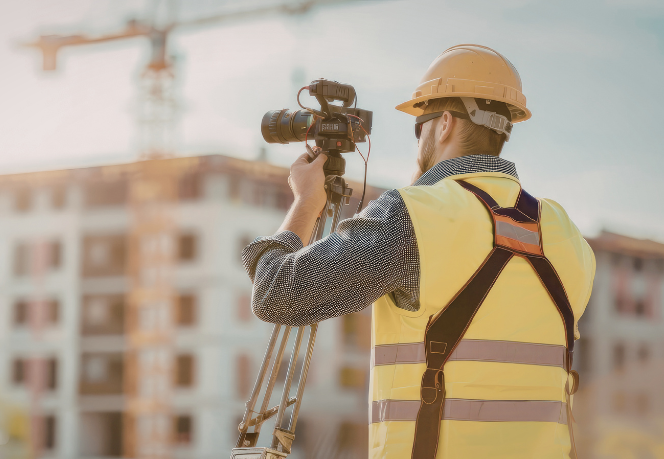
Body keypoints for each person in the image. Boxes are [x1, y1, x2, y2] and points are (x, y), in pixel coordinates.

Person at [242, 44, 595, 459]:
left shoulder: (413, 216)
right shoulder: (567, 235)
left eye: (419, 125)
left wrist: (306, 204)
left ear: (443, 124)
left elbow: (276, 293)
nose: (419, 138)